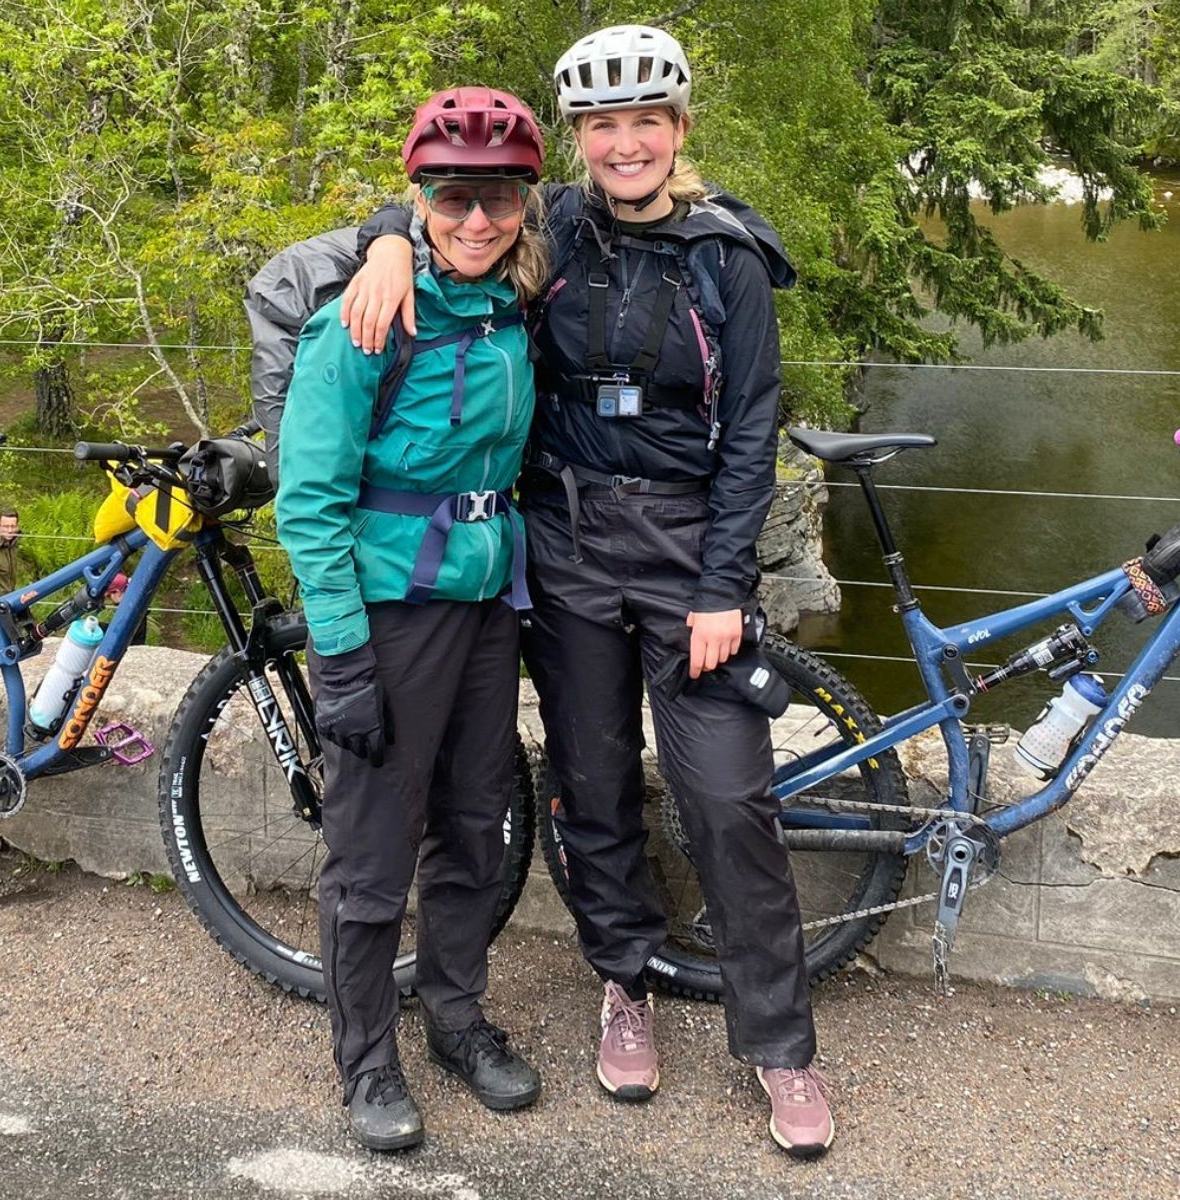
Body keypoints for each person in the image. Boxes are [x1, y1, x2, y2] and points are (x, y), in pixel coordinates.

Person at [343, 27, 833, 1158]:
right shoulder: (548, 225)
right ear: (580, 141)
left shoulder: (729, 258)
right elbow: (443, 198)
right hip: (562, 544)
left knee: (726, 799)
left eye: (644, 124)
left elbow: (752, 430)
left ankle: (781, 1045)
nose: (624, 145)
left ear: (678, 132)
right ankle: (625, 981)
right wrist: (382, 242)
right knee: (593, 781)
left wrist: (724, 584)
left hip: (686, 555)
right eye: (602, 127)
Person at [272, 87, 550, 1152]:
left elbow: (639, 188)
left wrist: (399, 232)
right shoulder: (365, 321)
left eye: (498, 196)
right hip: (391, 612)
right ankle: (367, 1058)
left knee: (478, 826)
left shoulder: (512, 302)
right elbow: (310, 500)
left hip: (487, 604)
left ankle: (457, 1018)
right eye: (449, 196)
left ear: (526, 200)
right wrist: (339, 652)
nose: (476, 219)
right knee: (372, 846)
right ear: (420, 195)